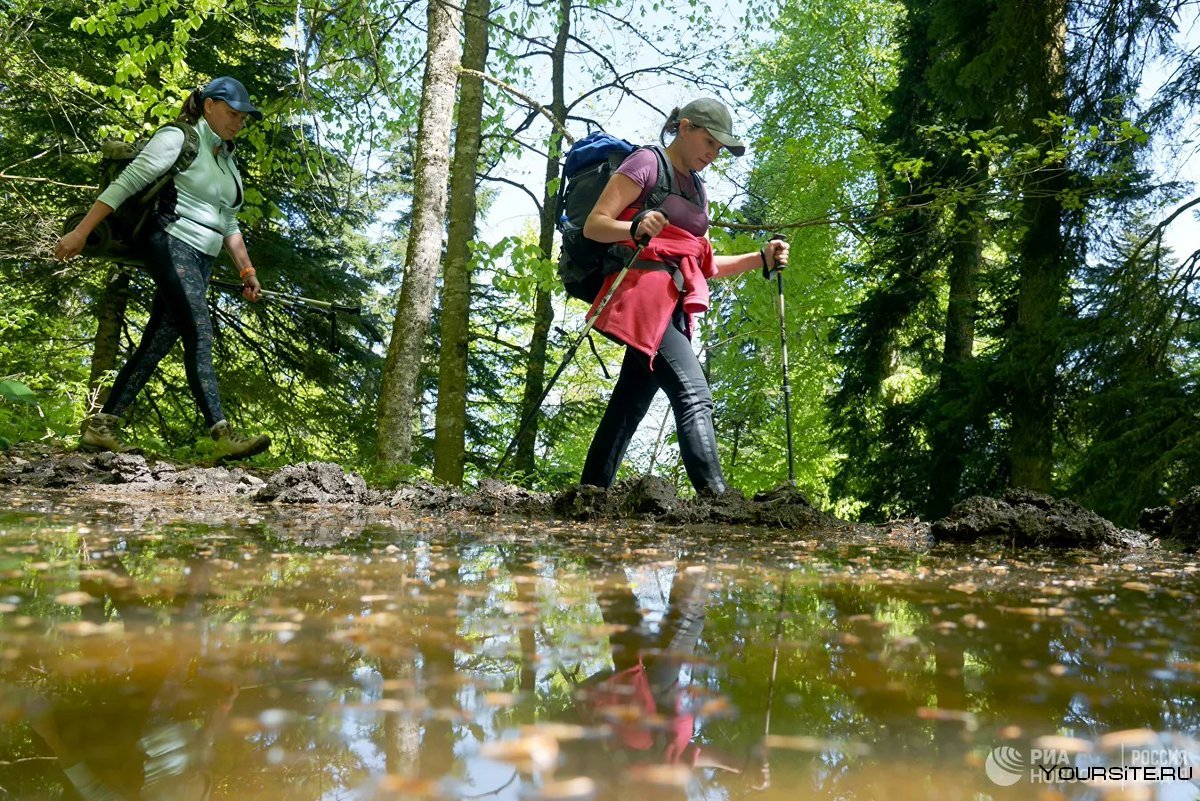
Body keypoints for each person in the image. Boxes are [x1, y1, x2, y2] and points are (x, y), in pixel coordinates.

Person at [579, 97, 789, 497]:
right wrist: (635, 225)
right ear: (686, 127)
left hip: (674, 306)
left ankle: (589, 496)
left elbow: (705, 264)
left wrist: (760, 257)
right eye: (709, 142)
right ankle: (719, 499)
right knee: (694, 395)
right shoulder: (646, 163)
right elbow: (595, 225)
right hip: (641, 300)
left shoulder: (698, 192)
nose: (713, 154)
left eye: (719, 149)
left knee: (627, 408)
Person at [55, 76, 271, 461]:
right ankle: (223, 434)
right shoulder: (178, 138)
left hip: (201, 257)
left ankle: (101, 428)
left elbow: (229, 223)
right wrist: (80, 233)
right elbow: (124, 186)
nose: (239, 122)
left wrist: (246, 270)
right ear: (209, 106)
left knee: (158, 341)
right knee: (199, 332)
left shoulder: (227, 159)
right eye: (233, 113)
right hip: (170, 241)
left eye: (243, 117)